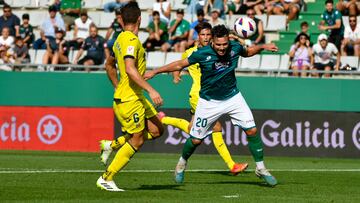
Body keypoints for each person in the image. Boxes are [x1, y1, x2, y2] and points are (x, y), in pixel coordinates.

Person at [144, 24, 279, 186]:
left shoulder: (235, 47)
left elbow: (248, 52)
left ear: (228, 41)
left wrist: (263, 46)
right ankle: (181, 164)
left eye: (225, 44)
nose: (222, 48)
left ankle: (261, 168)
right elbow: (179, 64)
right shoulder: (202, 54)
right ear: (212, 42)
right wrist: (155, 72)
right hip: (208, 102)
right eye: (218, 45)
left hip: (233, 97)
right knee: (195, 140)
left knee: (252, 130)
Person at [158, 22, 249, 175]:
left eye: (208, 35)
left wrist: (234, 37)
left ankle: (163, 120)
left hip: (212, 94)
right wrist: (176, 76)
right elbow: (179, 65)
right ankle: (232, 165)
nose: (206, 38)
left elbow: (242, 47)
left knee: (191, 130)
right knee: (216, 127)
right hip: (198, 95)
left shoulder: (217, 50)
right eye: (202, 35)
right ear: (197, 36)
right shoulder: (191, 52)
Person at [96, 2, 164, 192]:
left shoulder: (119, 39)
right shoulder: (131, 41)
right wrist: (152, 90)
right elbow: (129, 68)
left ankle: (111, 144)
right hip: (130, 100)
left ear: (121, 19)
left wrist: (118, 86)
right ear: (140, 19)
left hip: (134, 96)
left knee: (158, 130)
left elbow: (108, 65)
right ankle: (106, 178)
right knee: (137, 140)